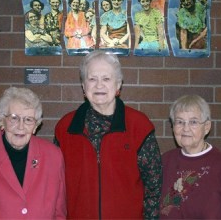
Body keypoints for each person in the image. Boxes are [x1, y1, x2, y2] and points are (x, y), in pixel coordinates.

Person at [54, 50, 162, 219]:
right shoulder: (65, 129)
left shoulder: (139, 126)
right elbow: (56, 187)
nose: (99, 85)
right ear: (83, 86)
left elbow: (153, 188)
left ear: (118, 85)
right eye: (92, 79)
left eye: (106, 78)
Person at [0, 87, 67, 219]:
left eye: (28, 120)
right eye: (14, 118)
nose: (21, 126)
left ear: (36, 126)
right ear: (2, 121)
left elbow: (59, 213)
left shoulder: (53, 157)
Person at [159, 94, 221, 219]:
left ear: (207, 127)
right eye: (179, 121)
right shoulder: (165, 162)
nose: (186, 128)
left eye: (193, 122)